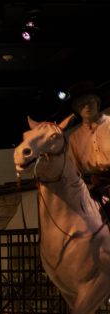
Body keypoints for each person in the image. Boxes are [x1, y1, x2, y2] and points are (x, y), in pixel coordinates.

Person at [65, 80, 110, 215]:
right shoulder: (75, 138)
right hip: (93, 188)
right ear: (77, 109)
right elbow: (74, 169)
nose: (86, 106)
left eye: (90, 101)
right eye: (81, 104)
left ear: (97, 102)